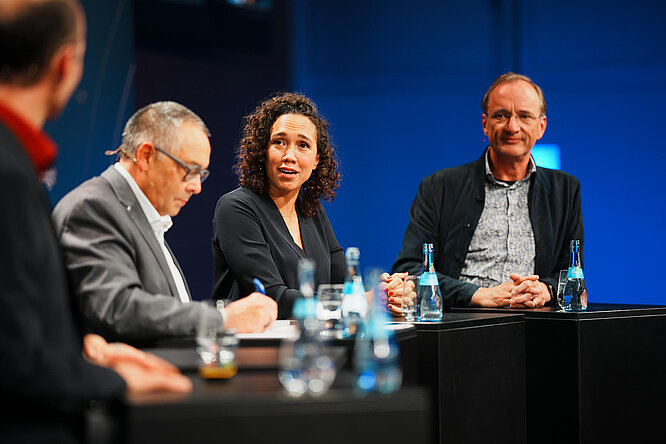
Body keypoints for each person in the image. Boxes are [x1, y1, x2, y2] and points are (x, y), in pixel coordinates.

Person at [0, 1, 191, 441]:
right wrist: (116, 380)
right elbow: (14, 361)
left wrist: (81, 350)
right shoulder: (9, 174)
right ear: (64, 64)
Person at [53, 101, 278, 344]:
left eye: (201, 174)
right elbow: (118, 308)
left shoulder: (138, 214)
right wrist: (223, 319)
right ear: (146, 156)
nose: (197, 186)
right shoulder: (93, 208)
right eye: (190, 170)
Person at [387, 72, 584, 313]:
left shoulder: (565, 190)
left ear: (541, 126)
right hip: (460, 325)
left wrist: (545, 289)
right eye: (501, 115)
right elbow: (411, 269)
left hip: (537, 327)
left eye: (524, 116)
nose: (512, 127)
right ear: (485, 124)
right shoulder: (439, 187)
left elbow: (573, 272)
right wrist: (478, 295)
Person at [211, 92, 345, 318]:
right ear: (262, 151)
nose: (289, 156)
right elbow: (272, 297)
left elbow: (341, 281)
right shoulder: (235, 208)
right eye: (279, 142)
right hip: (250, 347)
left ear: (316, 160)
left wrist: (384, 294)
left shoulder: (311, 209)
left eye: (303, 145)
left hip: (308, 342)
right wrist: (353, 303)